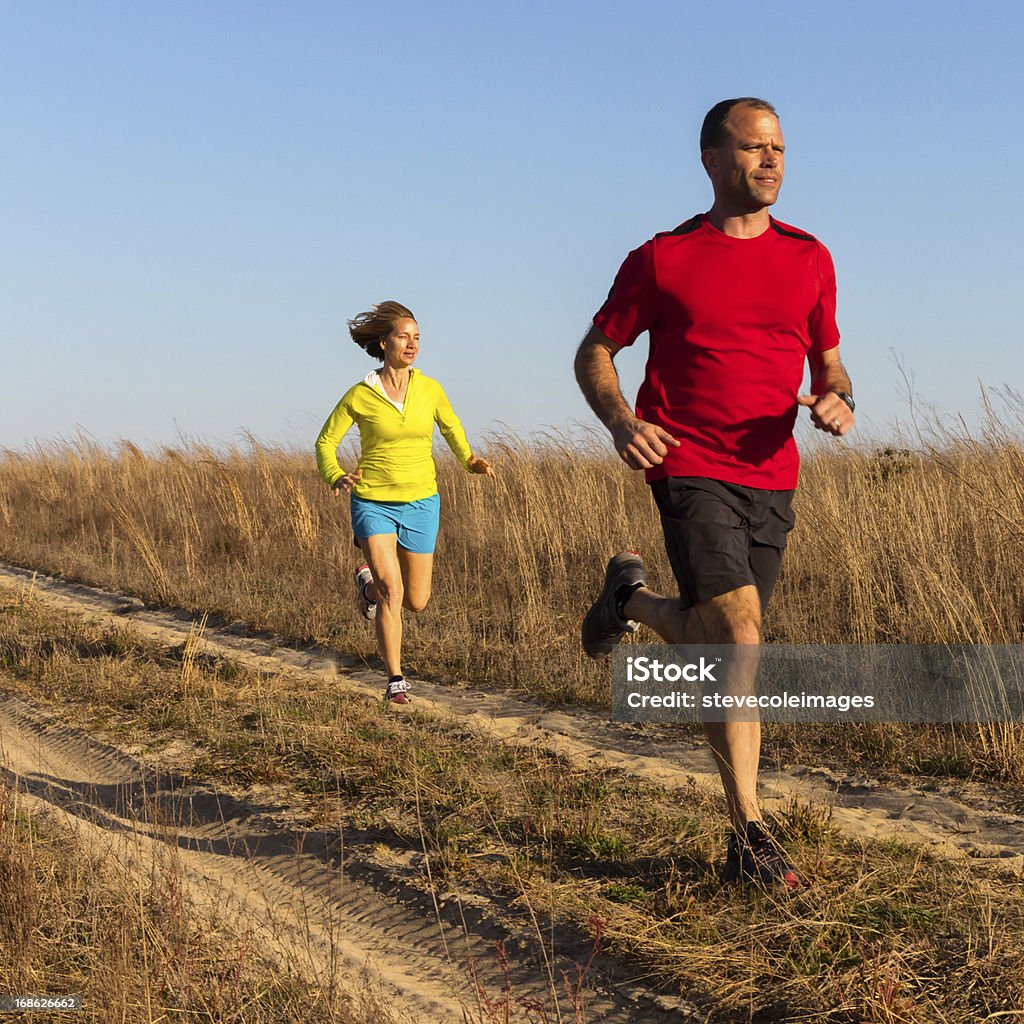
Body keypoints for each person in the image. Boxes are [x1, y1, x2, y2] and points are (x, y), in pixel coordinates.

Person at [574, 98, 855, 889]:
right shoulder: (664, 257)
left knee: (714, 645)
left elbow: (830, 363)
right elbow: (596, 350)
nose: (771, 161)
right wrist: (622, 420)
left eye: (780, 148)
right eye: (753, 147)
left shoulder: (810, 257)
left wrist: (838, 398)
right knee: (739, 638)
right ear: (709, 159)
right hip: (689, 465)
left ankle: (627, 601)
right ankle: (750, 835)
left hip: (773, 475)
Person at [316, 300, 495, 704]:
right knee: (392, 593)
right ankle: (396, 680)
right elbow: (325, 441)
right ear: (384, 343)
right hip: (372, 501)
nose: (412, 344)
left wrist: (470, 461)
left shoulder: (430, 389)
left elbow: (451, 428)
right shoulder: (360, 394)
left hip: (421, 501)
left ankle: (367, 588)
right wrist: (336, 474)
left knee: (416, 600)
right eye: (404, 336)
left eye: (417, 338)